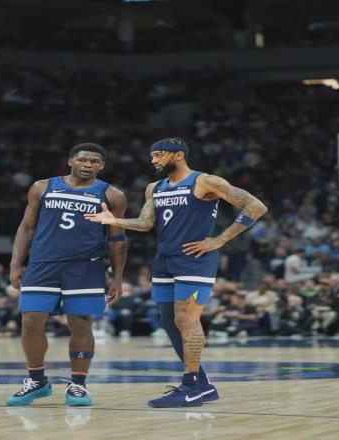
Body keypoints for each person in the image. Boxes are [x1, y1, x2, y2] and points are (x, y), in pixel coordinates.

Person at [85, 137, 267, 407]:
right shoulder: (154, 188)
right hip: (164, 259)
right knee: (169, 321)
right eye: (152, 155)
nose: (153, 160)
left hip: (195, 259)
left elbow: (256, 206)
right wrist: (115, 220)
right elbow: (146, 223)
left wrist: (219, 240)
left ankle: (190, 387)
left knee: (186, 319)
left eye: (159, 154)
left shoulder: (206, 181)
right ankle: (202, 385)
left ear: (178, 155)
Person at [6, 143, 127, 407]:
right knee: (30, 320)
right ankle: (37, 381)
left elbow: (117, 239)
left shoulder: (112, 195)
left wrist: (117, 277)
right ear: (70, 161)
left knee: (81, 323)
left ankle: (78, 385)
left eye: (94, 161)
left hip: (86, 267)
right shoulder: (42, 187)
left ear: (101, 166)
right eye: (83, 160)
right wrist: (15, 264)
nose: (88, 165)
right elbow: (26, 228)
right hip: (42, 265)